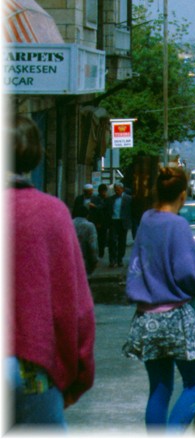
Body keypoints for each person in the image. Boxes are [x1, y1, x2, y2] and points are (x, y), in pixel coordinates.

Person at [8, 114, 95, 427]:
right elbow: (75, 309)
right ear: (34, 155)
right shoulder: (52, 213)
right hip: (31, 370)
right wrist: (78, 376)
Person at [123, 165, 195, 429]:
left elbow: (137, 264)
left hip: (146, 318)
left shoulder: (146, 220)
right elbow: (188, 272)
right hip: (176, 319)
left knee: (159, 389)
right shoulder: (178, 225)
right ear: (183, 195)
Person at [106, 181, 134, 267]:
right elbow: (107, 211)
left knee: (122, 241)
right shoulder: (111, 199)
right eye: (115, 190)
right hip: (114, 221)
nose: (116, 192)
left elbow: (132, 211)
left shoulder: (128, 199)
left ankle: (120, 259)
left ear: (122, 189)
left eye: (118, 190)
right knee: (112, 241)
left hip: (123, 222)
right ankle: (112, 259)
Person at [71, 199, 100, 276]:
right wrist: (95, 260)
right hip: (84, 260)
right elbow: (93, 245)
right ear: (87, 214)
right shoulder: (89, 226)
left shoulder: (68, 224)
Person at [92, 183, 110, 261]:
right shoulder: (96, 198)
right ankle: (98, 252)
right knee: (98, 238)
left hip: (104, 221)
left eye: (104, 191)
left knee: (102, 238)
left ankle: (101, 252)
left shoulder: (107, 199)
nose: (103, 193)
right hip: (97, 221)